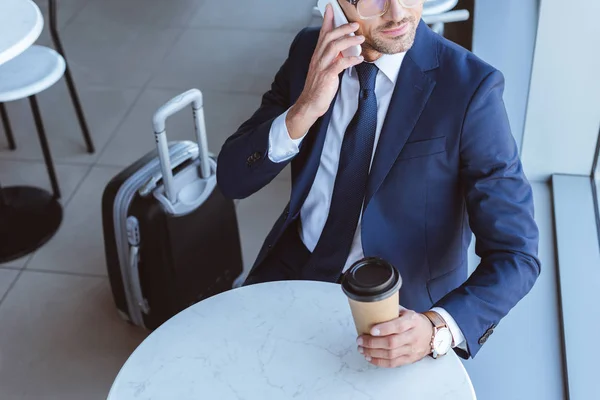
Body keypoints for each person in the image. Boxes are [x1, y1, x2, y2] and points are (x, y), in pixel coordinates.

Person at [217, 0, 540, 368]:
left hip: (398, 314)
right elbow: (231, 179)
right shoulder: (309, 51)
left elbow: (517, 253)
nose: (399, 12)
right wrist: (304, 109)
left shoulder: (470, 89)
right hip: (294, 269)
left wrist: (436, 327)